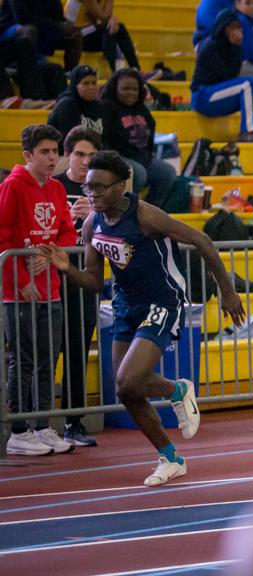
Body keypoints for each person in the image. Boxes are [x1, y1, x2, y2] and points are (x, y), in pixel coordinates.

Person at [40, 150, 245, 485]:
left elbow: (202, 240)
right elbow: (93, 281)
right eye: (89, 188)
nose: (94, 195)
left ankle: (177, 391)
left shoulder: (146, 216)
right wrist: (67, 271)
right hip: (125, 305)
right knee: (125, 389)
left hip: (162, 300)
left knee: (131, 376)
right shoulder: (93, 223)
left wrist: (227, 290)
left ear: (121, 186)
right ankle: (170, 458)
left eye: (102, 188)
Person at [0, 125, 78, 457]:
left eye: (55, 151)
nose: (52, 157)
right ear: (28, 155)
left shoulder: (58, 189)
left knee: (49, 359)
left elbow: (68, 233)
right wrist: (21, 280)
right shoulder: (13, 187)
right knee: (25, 358)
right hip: (19, 294)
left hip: (52, 290)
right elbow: (3, 238)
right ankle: (19, 430)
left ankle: (44, 426)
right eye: (44, 151)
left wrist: (50, 256)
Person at [54, 127, 103, 447]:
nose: (85, 161)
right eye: (79, 154)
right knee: (43, 352)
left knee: (77, 350)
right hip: (51, 280)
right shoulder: (56, 187)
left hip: (83, 280)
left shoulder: (102, 190)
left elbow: (114, 235)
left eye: (91, 156)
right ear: (67, 155)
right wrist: (71, 219)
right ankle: (31, 424)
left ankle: (74, 423)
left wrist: (94, 217)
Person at [100, 69, 177, 209]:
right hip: (118, 158)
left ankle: (151, 210)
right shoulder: (106, 107)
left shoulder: (141, 108)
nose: (130, 93)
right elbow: (106, 142)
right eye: (125, 89)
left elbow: (150, 133)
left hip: (142, 157)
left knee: (167, 172)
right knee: (138, 173)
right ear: (115, 88)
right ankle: (125, 210)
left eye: (134, 89)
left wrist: (146, 156)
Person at [191, 9, 253, 140]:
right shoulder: (211, 45)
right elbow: (225, 75)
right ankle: (250, 132)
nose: (238, 32)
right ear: (224, 29)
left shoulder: (234, 47)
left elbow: (232, 75)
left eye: (239, 28)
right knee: (248, 84)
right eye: (233, 28)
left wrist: (236, 48)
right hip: (203, 96)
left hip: (219, 92)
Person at [0, 0, 82, 72]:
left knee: (74, 34)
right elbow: (23, 18)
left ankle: (70, 74)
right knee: (29, 30)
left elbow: (58, 16)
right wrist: (57, 26)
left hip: (41, 27)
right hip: (9, 29)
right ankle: (28, 73)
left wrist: (66, 25)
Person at [64, 0, 140, 73]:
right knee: (109, 28)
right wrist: (113, 19)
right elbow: (103, 18)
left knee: (117, 28)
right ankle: (115, 70)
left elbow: (106, 20)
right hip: (73, 34)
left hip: (87, 34)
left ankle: (135, 69)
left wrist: (112, 19)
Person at [47, 65, 104, 153]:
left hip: (92, 155)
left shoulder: (98, 106)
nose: (91, 87)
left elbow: (106, 139)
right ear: (75, 85)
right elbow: (68, 142)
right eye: (86, 83)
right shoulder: (66, 104)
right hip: (64, 155)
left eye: (94, 83)